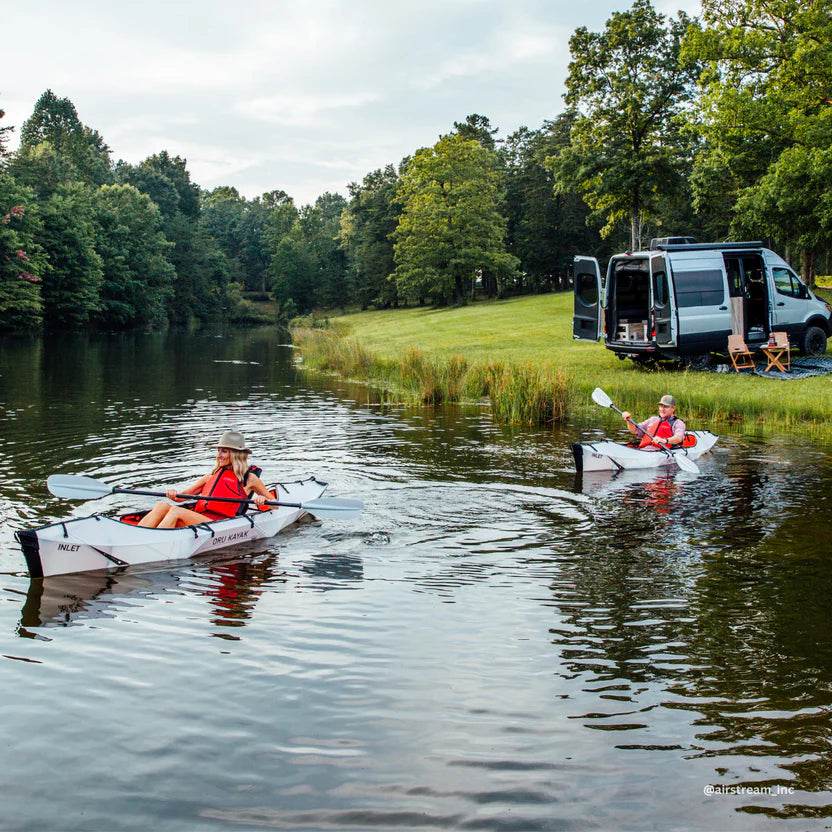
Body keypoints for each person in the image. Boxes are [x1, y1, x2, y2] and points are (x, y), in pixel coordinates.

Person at [138, 430, 272, 528]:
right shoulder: (212, 475)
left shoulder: (249, 479)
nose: (219, 455)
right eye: (219, 451)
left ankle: (154, 540)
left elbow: (274, 504)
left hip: (220, 524)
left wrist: (263, 500)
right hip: (200, 517)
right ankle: (139, 534)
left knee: (176, 511)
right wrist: (173, 494)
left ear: (236, 454)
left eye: (224, 451)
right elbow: (182, 497)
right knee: (162, 506)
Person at [621, 395, 687, 450]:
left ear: (673, 408)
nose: (662, 409)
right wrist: (629, 420)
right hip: (645, 450)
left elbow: (679, 438)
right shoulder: (653, 419)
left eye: (666, 407)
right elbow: (634, 430)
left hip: (663, 451)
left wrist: (664, 440)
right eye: (661, 406)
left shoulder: (678, 423)